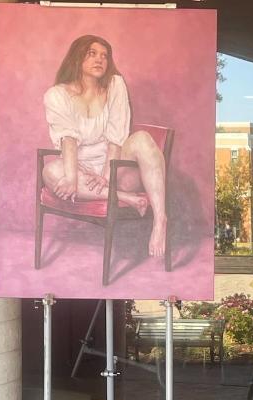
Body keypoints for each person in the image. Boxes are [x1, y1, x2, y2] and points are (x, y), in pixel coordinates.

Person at [42, 35, 167, 258]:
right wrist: (72, 176)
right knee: (51, 171)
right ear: (77, 57)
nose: (100, 59)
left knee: (143, 139)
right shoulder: (57, 94)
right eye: (92, 53)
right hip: (79, 167)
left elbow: (116, 137)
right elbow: (68, 140)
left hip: (115, 165)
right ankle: (125, 197)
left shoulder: (115, 84)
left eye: (104, 56)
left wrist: (107, 177)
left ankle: (160, 220)